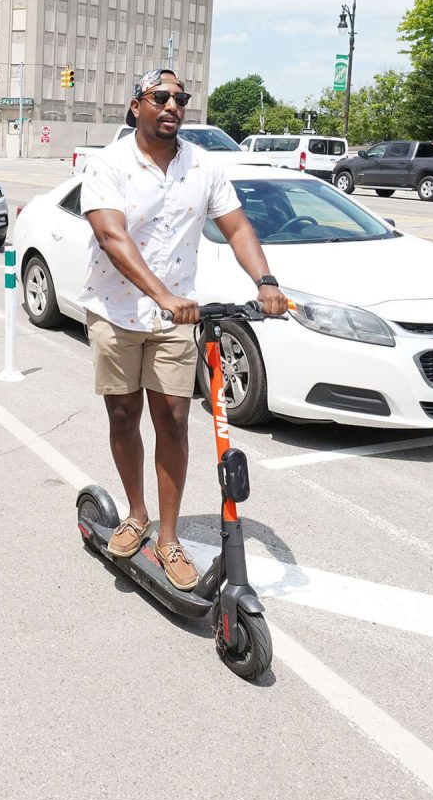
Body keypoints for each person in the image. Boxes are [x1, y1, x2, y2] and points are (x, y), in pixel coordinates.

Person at [81, 68, 291, 587]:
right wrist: (163, 296)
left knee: (173, 418)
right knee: (124, 414)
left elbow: (237, 225)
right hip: (116, 310)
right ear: (137, 106)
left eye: (181, 98)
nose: (173, 105)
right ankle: (136, 513)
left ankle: (169, 538)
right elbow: (112, 237)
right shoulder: (108, 165)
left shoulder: (203, 166)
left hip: (177, 317)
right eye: (160, 97)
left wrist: (265, 280)